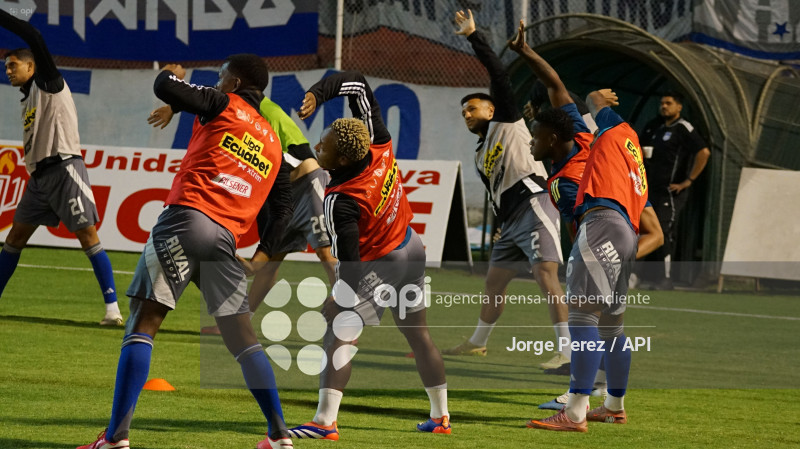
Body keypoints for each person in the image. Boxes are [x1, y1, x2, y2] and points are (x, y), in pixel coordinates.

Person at [78, 55, 294, 449]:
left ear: (235, 81)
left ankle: (115, 438)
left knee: (143, 324)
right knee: (244, 340)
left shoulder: (223, 102)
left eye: (221, 75)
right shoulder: (273, 143)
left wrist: (172, 75)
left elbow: (165, 87)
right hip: (225, 240)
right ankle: (279, 435)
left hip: (186, 220)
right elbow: (282, 211)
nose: (217, 80)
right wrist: (262, 256)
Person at [279, 71, 450, 442]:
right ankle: (441, 416)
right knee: (419, 335)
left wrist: (339, 299)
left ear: (340, 159)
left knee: (339, 333)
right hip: (411, 245)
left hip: (384, 262)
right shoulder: (379, 143)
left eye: (322, 147)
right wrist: (319, 92)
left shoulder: (340, 201)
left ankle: (324, 422)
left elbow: (352, 264)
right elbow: (357, 84)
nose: (316, 147)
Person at [443, 10, 570, 374]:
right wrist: (500, 223)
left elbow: (497, 72)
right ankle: (478, 343)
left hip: (535, 202)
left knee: (546, 275)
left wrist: (473, 35)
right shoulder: (480, 152)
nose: (466, 113)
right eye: (463, 111)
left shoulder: (508, 121)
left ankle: (568, 352)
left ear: (492, 108)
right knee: (494, 281)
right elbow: (497, 193)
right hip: (511, 218)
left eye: (472, 107)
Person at [149, 96, 337, 335]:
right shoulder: (241, 108)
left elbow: (297, 155)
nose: (220, 86)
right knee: (270, 263)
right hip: (279, 190)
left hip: (308, 182)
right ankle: (241, 324)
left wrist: (176, 105)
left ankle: (345, 320)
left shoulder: (256, 107)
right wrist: (175, 106)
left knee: (325, 250)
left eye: (224, 79)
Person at [527, 89, 648, 432]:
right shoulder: (632, 156)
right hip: (626, 231)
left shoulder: (614, 132)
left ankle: (576, 411)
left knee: (581, 319)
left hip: (601, 225)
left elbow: (596, 102)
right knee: (612, 327)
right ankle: (613, 406)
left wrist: (598, 97)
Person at [0, 10, 122, 326]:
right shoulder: (27, 97)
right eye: (6, 66)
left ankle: (112, 309)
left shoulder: (49, 83)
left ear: (32, 66)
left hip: (64, 168)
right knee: (14, 239)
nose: (8, 70)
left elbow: (33, 36)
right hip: (39, 179)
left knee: (87, 235)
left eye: (13, 65)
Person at [639, 91, 710, 289]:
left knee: (662, 231)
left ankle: (666, 278)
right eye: (662, 103)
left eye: (668, 103)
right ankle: (643, 275)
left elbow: (704, 152)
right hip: (650, 190)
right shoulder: (656, 127)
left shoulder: (683, 128)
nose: (664, 107)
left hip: (670, 192)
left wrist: (689, 180)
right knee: (643, 231)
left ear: (679, 107)